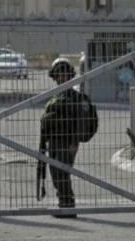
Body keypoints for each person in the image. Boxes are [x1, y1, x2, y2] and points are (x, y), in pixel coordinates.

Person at [39, 58, 86, 218]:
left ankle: (68, 206)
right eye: (59, 75)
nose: (62, 78)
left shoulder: (76, 97)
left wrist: (74, 144)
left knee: (62, 173)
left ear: (70, 77)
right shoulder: (54, 97)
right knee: (55, 173)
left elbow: (80, 123)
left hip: (67, 141)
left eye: (65, 75)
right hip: (53, 141)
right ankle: (63, 203)